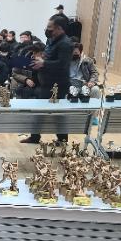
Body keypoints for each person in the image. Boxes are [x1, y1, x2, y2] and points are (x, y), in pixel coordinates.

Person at [21, 15, 73, 144]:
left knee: (58, 113)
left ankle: (62, 140)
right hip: (45, 82)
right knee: (39, 111)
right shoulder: (51, 40)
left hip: (57, 85)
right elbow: (49, 56)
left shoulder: (65, 44)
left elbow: (63, 64)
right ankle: (35, 137)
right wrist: (40, 60)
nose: (47, 29)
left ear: (59, 28)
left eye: (50, 27)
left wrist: (44, 63)